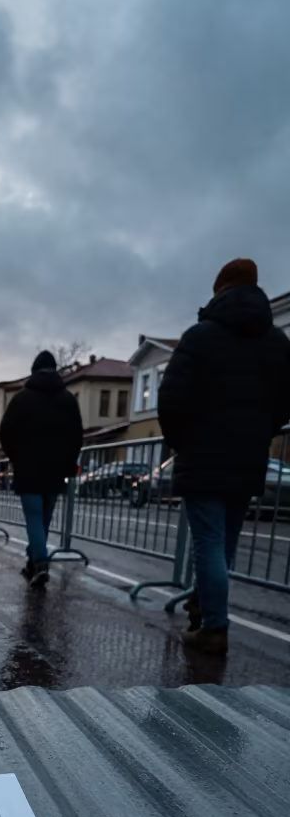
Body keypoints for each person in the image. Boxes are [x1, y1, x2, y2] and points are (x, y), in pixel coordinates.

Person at [158, 258, 290, 654]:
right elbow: (284, 403)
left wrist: (182, 441)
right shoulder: (278, 344)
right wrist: (259, 430)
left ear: (220, 291)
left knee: (209, 542)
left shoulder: (200, 337)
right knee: (225, 542)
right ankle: (205, 603)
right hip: (248, 455)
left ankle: (214, 627)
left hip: (203, 455)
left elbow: (172, 398)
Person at [0, 350, 82, 586]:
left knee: (34, 518)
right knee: (44, 519)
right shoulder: (68, 400)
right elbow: (77, 436)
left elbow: (5, 433)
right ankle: (34, 562)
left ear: (34, 371)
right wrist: (68, 463)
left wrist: (16, 457)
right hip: (56, 471)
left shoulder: (22, 399)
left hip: (29, 469)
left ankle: (41, 563)